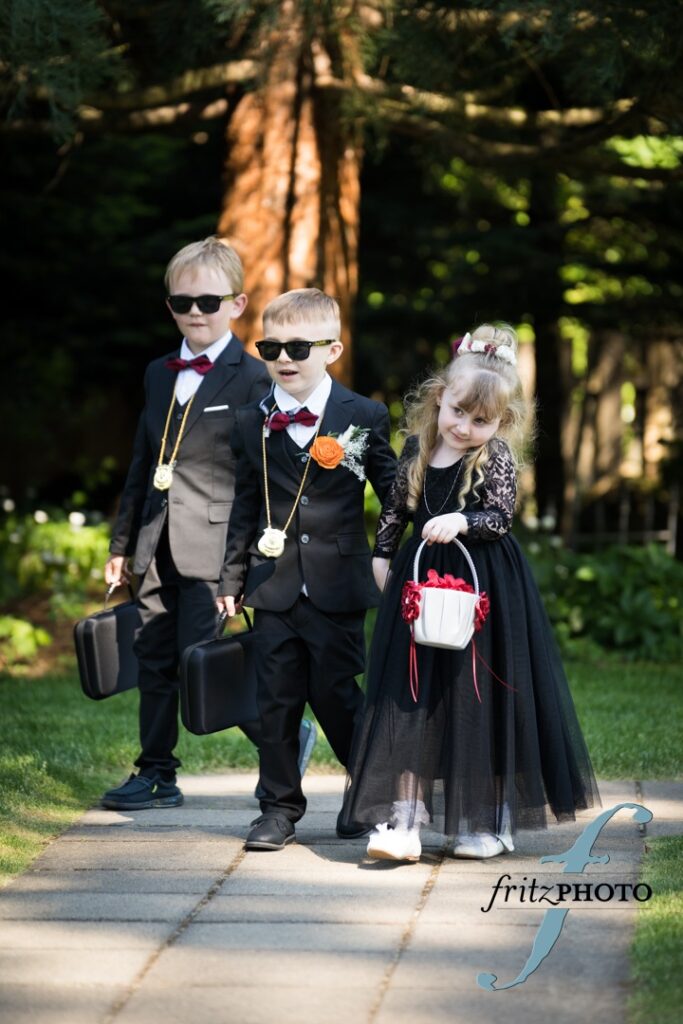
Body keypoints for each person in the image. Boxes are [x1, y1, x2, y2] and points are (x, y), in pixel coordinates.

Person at [338, 323, 600, 861]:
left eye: (481, 421)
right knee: (408, 698)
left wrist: (461, 520)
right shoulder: (416, 447)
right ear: (440, 399)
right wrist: (382, 556)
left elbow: (500, 515)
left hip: (482, 586)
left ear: (501, 422)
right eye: (457, 411)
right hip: (420, 583)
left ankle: (484, 820)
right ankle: (403, 822)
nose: (464, 427)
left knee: (475, 697)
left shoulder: (496, 456)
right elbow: (394, 510)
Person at [101, 237, 317, 811]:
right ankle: (155, 773)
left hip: (215, 546)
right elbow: (143, 464)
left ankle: (287, 736)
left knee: (201, 663)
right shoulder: (155, 374)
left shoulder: (255, 379)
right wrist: (122, 543)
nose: (195, 312)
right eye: (182, 301)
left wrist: (244, 566)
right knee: (152, 655)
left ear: (237, 304)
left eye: (208, 301)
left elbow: (260, 481)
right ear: (169, 305)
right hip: (155, 538)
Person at [216, 287, 397, 850]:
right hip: (271, 584)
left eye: (298, 346)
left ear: (333, 349)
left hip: (338, 583)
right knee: (276, 698)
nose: (283, 359)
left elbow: (392, 494)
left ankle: (371, 790)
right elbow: (245, 503)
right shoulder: (252, 420)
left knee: (337, 692)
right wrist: (231, 579)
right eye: (271, 347)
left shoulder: (362, 416)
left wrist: (386, 554)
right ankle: (278, 807)